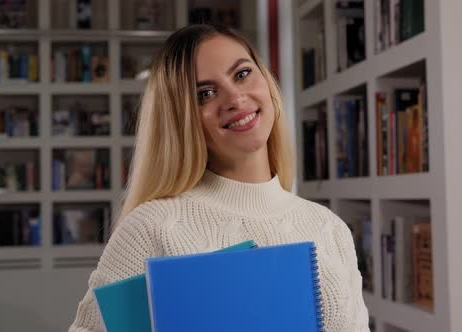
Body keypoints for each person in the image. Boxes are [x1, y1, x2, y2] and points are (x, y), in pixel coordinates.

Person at [69, 24, 369, 332]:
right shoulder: (152, 227)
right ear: (181, 119)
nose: (235, 99)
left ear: (266, 81)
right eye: (205, 94)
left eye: (241, 74)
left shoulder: (328, 226)